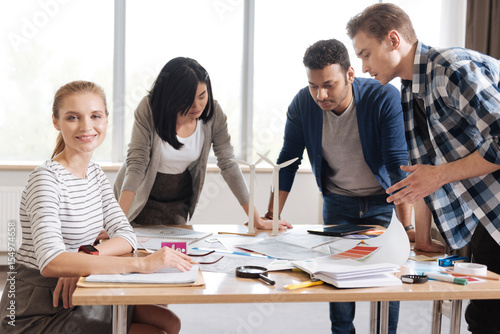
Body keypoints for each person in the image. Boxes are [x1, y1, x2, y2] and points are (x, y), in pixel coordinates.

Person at [347, 3, 500, 333]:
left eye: (366, 54)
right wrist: (421, 237)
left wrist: (440, 175)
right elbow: (421, 172)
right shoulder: (408, 90)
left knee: (487, 318)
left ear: (392, 39)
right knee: (483, 315)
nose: (363, 67)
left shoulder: (450, 69)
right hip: (489, 216)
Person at [0, 80, 193, 334]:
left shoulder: (94, 173)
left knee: (170, 322)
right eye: (73, 117)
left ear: (106, 121)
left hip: (79, 290)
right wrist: (141, 265)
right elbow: (52, 262)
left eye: (95, 116)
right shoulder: (46, 179)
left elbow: (126, 235)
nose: (86, 126)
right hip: (34, 311)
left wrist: (82, 260)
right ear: (56, 122)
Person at [265, 39, 412, 334]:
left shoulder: (382, 96)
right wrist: (272, 218)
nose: (321, 94)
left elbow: (398, 163)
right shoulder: (303, 103)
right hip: (338, 203)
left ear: (350, 74)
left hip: (383, 202)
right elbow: (287, 162)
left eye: (329, 85)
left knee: (386, 280)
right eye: (314, 85)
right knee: (338, 281)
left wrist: (407, 229)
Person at [114, 57, 291, 230]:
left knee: (174, 253)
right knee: (132, 252)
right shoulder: (149, 109)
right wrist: (118, 223)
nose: (197, 105)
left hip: (176, 202)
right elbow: (137, 165)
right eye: (187, 99)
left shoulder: (214, 115)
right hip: (136, 196)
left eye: (202, 96)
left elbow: (229, 165)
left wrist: (256, 220)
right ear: (171, 96)